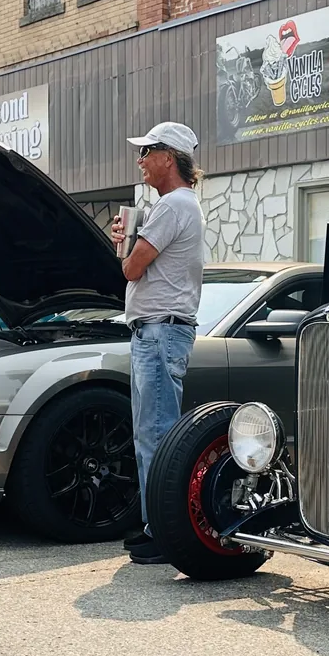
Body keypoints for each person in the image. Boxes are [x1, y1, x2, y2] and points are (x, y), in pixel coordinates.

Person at [110, 122, 206, 566]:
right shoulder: (182, 206)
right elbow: (136, 265)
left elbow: (131, 270)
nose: (141, 160)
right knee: (152, 434)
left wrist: (124, 247)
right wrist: (125, 245)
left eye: (147, 151)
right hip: (160, 329)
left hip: (160, 330)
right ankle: (157, 528)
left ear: (169, 157)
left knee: (159, 436)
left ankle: (165, 534)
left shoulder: (171, 207)